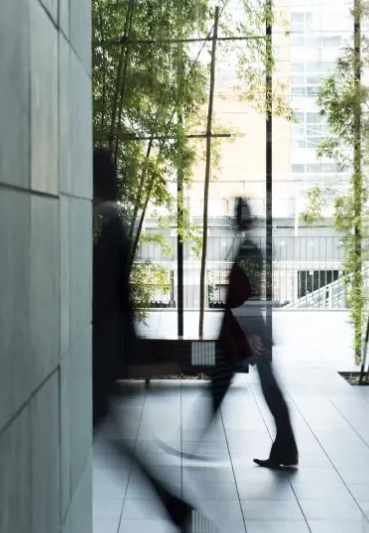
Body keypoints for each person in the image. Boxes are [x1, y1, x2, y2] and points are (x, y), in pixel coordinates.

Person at [90, 148, 199, 531]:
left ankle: (175, 505)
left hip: (103, 356)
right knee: (117, 443)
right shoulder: (114, 228)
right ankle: (175, 506)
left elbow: (110, 300)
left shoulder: (113, 232)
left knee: (112, 442)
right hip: (108, 354)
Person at [204, 198, 298, 469]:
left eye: (235, 217)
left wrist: (251, 335)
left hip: (246, 333)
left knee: (264, 388)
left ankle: (286, 450)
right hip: (246, 331)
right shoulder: (249, 247)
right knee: (261, 387)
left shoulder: (249, 250)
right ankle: (286, 451)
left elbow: (248, 294)